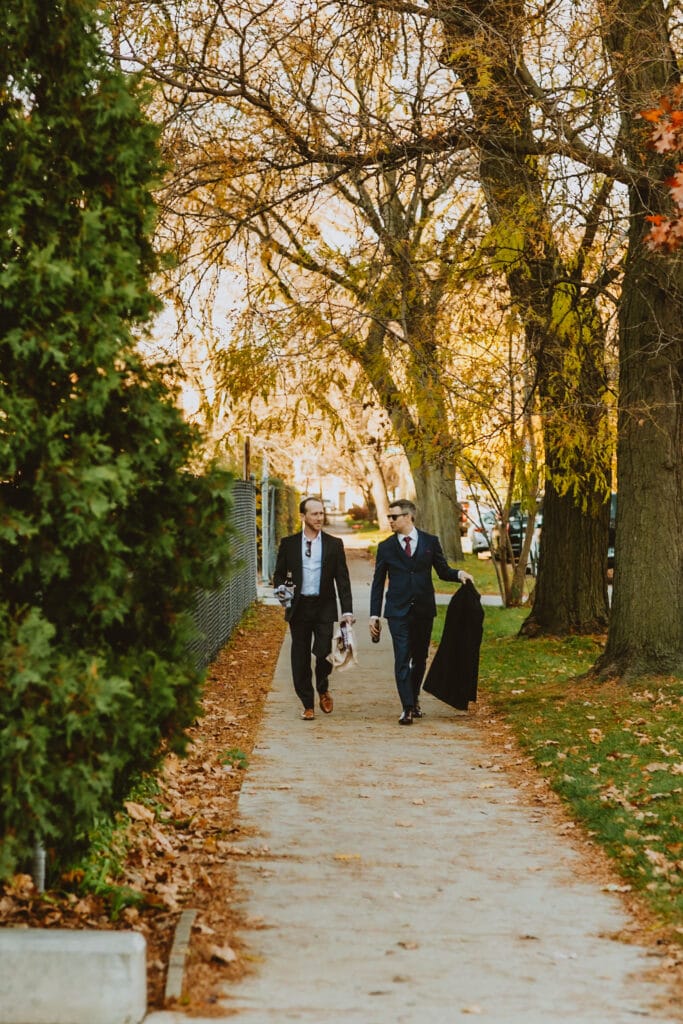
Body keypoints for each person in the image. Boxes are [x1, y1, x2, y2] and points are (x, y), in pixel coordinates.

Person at [369, 499, 473, 725]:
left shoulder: (430, 542)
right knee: (402, 657)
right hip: (397, 611)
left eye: (393, 517)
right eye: (389, 517)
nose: (390, 521)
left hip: (423, 610)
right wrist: (374, 615)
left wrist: (459, 575)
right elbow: (378, 583)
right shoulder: (386, 547)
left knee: (420, 658)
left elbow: (443, 570)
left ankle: (414, 698)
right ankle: (406, 707)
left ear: (408, 517)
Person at [274, 496, 354, 720]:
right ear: (303, 516)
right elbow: (279, 573)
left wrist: (347, 611)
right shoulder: (289, 544)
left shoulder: (333, 544)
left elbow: (343, 579)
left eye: (321, 513)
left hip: (324, 606)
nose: (320, 517)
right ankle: (307, 703)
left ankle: (322, 687)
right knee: (299, 656)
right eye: (315, 514)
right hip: (299, 607)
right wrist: (282, 589)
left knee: (323, 652)